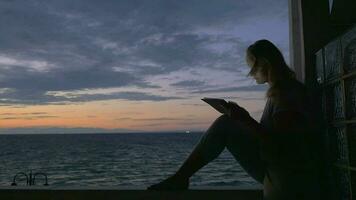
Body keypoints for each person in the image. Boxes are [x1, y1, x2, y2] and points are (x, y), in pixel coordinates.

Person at [147, 39, 323, 200]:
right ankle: (181, 177)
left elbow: (280, 145)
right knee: (228, 122)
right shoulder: (283, 92)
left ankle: (180, 178)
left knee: (225, 124)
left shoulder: (286, 94)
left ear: (264, 64)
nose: (252, 74)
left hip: (285, 177)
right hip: (277, 170)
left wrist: (244, 119)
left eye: (252, 67)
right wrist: (242, 119)